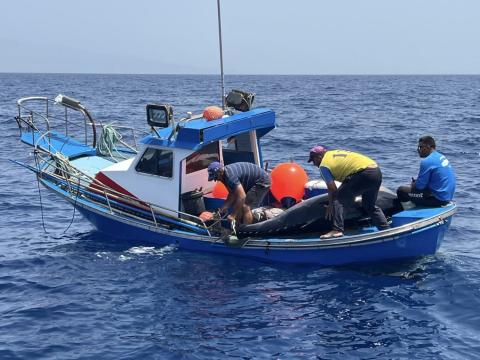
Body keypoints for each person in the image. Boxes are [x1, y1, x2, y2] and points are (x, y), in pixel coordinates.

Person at [308, 145, 390, 239]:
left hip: (363, 174)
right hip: (376, 171)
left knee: (339, 199)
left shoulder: (323, 166)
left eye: (313, 160)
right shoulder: (333, 154)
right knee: (369, 205)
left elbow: (333, 189)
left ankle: (337, 230)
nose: (314, 164)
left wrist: (331, 205)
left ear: (319, 157)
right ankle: (386, 229)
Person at [397, 136, 455, 209]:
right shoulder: (441, 156)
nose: (418, 150)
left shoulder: (427, 161)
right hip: (447, 197)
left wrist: (413, 184)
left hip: (438, 200)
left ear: (428, 146)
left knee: (401, 191)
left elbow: (419, 186)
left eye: (420, 147)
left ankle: (408, 212)